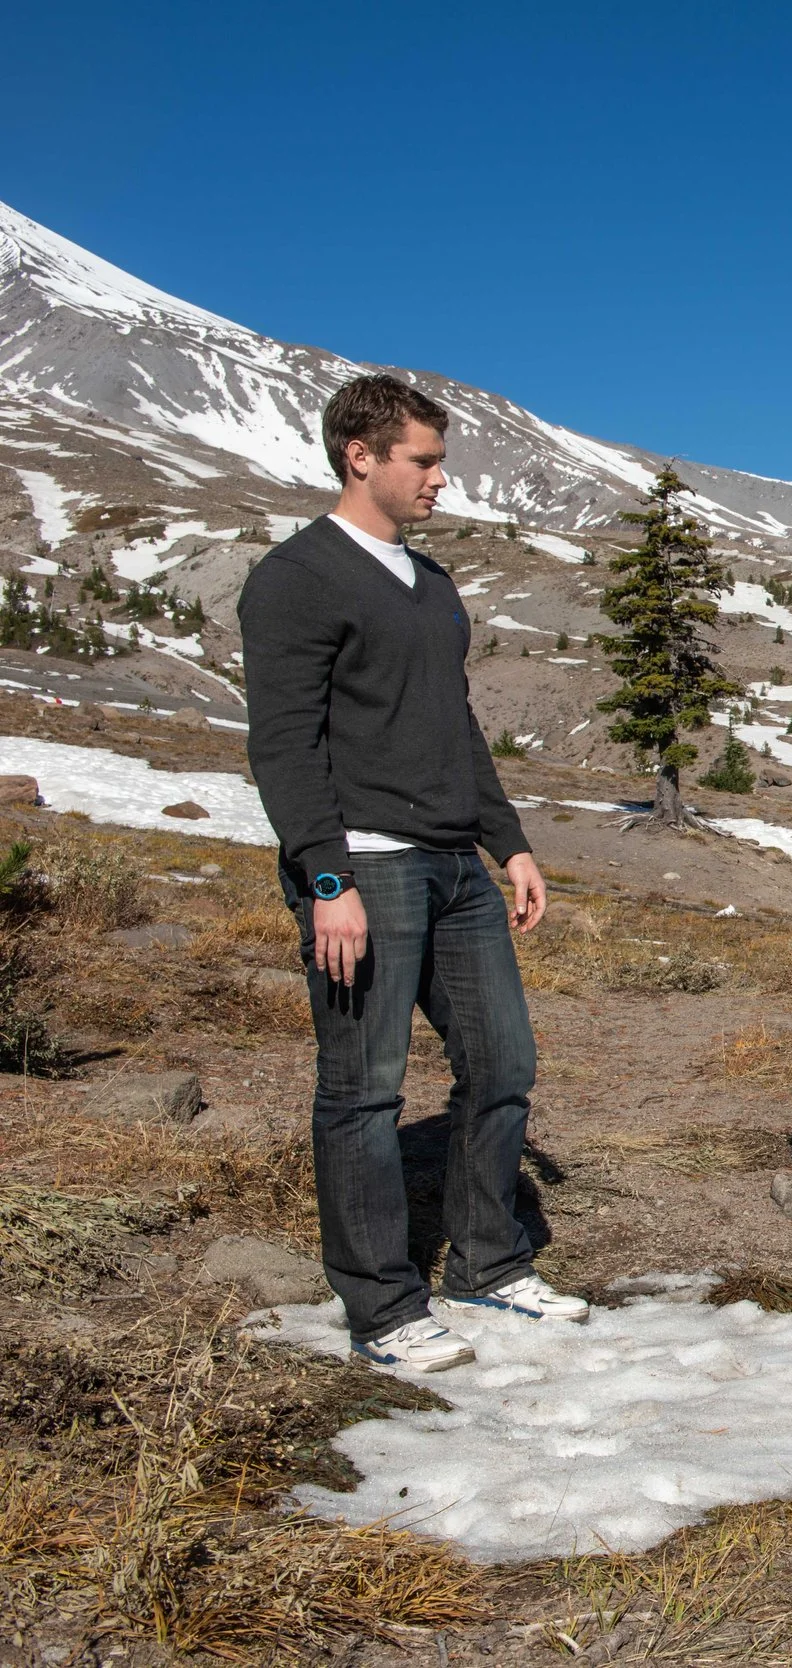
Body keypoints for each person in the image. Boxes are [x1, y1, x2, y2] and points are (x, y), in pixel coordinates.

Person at [239, 374, 582, 1374]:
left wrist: (506, 841)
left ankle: (485, 1261)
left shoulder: (430, 586)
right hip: (366, 870)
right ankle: (383, 1307)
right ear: (362, 457)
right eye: (424, 461)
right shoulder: (299, 577)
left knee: (504, 1062)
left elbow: (456, 727)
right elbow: (284, 745)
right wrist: (325, 880)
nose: (441, 479)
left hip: (454, 869)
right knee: (363, 1090)